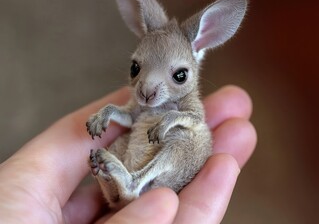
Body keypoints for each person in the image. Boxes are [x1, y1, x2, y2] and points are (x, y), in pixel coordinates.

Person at [0, 85, 256, 224]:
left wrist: (169, 121)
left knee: (190, 139)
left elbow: (194, 118)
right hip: (132, 173)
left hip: (162, 176)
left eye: (177, 75)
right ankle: (116, 185)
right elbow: (129, 115)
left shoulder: (187, 98)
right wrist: (108, 113)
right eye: (138, 69)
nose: (148, 86)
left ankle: (133, 181)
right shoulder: (142, 94)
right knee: (116, 143)